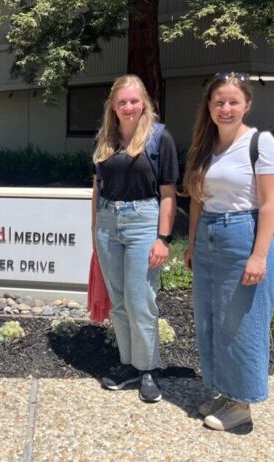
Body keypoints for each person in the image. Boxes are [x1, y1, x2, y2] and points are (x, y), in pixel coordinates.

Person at [183, 72, 274, 431]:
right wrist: (192, 244)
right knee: (212, 320)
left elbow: (269, 205)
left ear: (247, 105)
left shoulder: (261, 143)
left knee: (242, 323)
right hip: (209, 237)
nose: (225, 108)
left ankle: (242, 406)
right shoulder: (207, 146)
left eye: (233, 102)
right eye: (218, 102)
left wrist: (259, 256)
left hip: (243, 236)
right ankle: (226, 390)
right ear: (209, 107)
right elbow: (197, 198)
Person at [91, 74, 178, 403]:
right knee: (120, 302)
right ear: (113, 107)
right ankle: (127, 364)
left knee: (141, 300)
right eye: (122, 102)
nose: (128, 107)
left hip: (144, 221)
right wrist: (95, 230)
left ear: (144, 103)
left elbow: (169, 194)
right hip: (108, 223)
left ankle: (148, 369)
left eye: (134, 101)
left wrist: (163, 238)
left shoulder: (159, 138)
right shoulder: (105, 138)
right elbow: (97, 189)